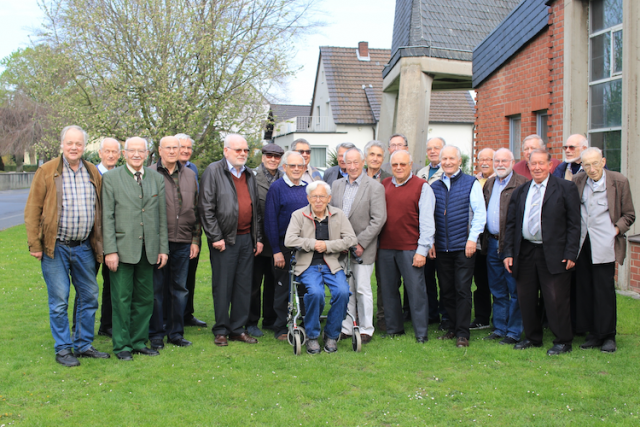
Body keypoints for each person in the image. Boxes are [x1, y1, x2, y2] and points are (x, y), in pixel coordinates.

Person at [25, 125, 109, 367]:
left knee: (89, 296)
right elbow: (33, 210)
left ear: (84, 146)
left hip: (84, 247)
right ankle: (63, 348)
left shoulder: (92, 171)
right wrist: (35, 244)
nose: (74, 147)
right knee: (60, 299)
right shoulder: (47, 171)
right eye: (70, 143)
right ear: (62, 144)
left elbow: (100, 208)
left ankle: (83, 345)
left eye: (78, 144)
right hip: (55, 247)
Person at [503, 149, 581, 355]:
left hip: (555, 252)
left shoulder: (566, 188)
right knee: (526, 298)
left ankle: (563, 341)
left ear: (550, 165)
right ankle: (532, 337)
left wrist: (571, 253)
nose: (537, 167)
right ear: (528, 166)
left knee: (556, 298)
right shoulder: (521, 191)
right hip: (526, 251)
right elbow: (511, 225)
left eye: (541, 163)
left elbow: (575, 224)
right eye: (533, 164)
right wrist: (508, 252)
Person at [102, 136, 169, 360]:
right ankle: (122, 345)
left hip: (148, 250)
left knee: (145, 299)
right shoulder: (111, 178)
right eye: (132, 150)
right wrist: (110, 250)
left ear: (147, 153)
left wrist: (163, 248)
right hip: (121, 250)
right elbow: (107, 217)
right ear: (125, 154)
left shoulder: (156, 179)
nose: (137, 154)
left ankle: (139, 341)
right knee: (121, 299)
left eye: (141, 151)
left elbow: (161, 217)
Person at [198, 134, 263, 347]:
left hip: (246, 239)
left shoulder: (249, 174)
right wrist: (215, 237)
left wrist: (257, 238)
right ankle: (221, 330)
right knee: (223, 286)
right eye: (238, 150)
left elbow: (256, 210)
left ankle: (237, 329)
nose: (243, 154)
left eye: (245, 150)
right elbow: (206, 207)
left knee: (244, 286)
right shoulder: (213, 171)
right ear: (226, 151)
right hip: (224, 240)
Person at [284, 181, 358, 354]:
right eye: (314, 196)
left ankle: (331, 334)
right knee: (316, 294)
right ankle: (312, 336)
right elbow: (289, 240)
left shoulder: (338, 215)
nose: (318, 200)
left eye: (322, 196)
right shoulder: (298, 215)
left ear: (329, 198)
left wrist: (327, 246)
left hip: (331, 264)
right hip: (307, 265)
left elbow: (351, 239)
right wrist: (312, 244)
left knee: (342, 292)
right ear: (308, 198)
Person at [574, 147, 635, 353]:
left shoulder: (619, 181)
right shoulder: (578, 180)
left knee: (604, 290)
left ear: (603, 161)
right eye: (587, 165)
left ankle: (608, 335)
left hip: (605, 244)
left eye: (595, 163)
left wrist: (615, 231)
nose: (592, 169)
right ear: (582, 166)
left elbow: (629, 215)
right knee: (585, 289)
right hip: (583, 243)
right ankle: (593, 334)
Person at [431, 146, 486, 348]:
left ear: (459, 161)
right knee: (446, 290)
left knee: (462, 289)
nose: (447, 162)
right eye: (444, 159)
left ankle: (463, 333)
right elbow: (430, 216)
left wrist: (472, 240)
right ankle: (453, 327)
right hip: (442, 247)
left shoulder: (471, 183)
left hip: (464, 246)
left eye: (451, 158)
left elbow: (479, 214)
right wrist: (431, 242)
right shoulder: (434, 186)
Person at [148, 136, 200, 350]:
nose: (171, 151)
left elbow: (196, 209)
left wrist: (195, 239)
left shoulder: (190, 174)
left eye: (175, 148)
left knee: (180, 289)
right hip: (158, 240)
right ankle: (156, 333)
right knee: (157, 289)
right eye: (167, 148)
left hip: (184, 241)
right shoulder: (150, 173)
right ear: (160, 150)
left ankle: (176, 333)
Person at [378, 150, 435, 343]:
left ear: (411, 165)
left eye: (403, 164)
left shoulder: (422, 187)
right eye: (395, 164)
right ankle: (394, 329)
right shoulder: (384, 185)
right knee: (388, 290)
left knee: (416, 292)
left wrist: (422, 251)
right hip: (386, 247)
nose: (399, 168)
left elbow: (427, 222)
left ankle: (421, 333)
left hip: (411, 248)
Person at [330, 148, 387, 344]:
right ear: (343, 164)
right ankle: (347, 327)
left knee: (362, 288)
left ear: (363, 162)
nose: (353, 167)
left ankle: (366, 329)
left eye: (356, 162)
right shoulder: (336, 185)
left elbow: (378, 219)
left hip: (364, 248)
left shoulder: (374, 187)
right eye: (349, 163)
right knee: (346, 289)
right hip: (341, 248)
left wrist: (360, 242)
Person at [481, 148, 526, 345]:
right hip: (492, 242)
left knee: (514, 289)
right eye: (497, 161)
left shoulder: (522, 183)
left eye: (504, 161)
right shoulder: (490, 183)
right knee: (497, 288)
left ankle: (514, 331)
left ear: (512, 162)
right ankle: (500, 328)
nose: (500, 164)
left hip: (512, 245)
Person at [263, 151, 310, 340]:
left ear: (305, 168)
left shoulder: (308, 188)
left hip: (305, 247)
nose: (296, 169)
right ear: (285, 168)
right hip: (283, 247)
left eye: (300, 166)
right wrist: (276, 251)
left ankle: (305, 322)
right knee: (283, 287)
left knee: (305, 286)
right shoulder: (277, 188)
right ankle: (281, 327)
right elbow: (270, 221)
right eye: (292, 166)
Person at [247, 143, 284, 337]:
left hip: (277, 241)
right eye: (269, 156)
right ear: (263, 157)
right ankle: (251, 321)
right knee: (254, 284)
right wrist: (257, 238)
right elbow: (252, 212)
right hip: (257, 239)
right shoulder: (252, 177)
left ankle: (270, 319)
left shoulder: (284, 178)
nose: (273, 159)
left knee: (274, 282)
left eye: (277, 157)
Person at [175, 133, 207, 328]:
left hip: (192, 231)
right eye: (182, 147)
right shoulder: (163, 170)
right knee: (173, 278)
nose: (186, 151)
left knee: (190, 274)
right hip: (173, 232)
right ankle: (172, 317)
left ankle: (187, 314)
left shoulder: (193, 169)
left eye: (189, 148)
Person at [416, 136, 446, 326]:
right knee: (427, 277)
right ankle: (431, 314)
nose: (433, 151)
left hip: (443, 233)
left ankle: (446, 315)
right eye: (429, 148)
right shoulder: (422, 173)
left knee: (444, 277)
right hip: (425, 232)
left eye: (437, 148)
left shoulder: (448, 172)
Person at [363, 139, 392, 330]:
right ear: (365, 157)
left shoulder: (389, 179)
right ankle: (357, 316)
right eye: (372, 154)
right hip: (361, 237)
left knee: (384, 280)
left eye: (379, 155)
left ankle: (383, 317)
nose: (375, 158)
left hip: (384, 237)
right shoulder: (357, 177)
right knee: (360, 281)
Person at [469, 148, 495, 331]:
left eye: (489, 159)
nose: (484, 162)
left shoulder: (499, 180)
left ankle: (499, 318)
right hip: (477, 239)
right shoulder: (474, 180)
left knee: (494, 281)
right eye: (481, 159)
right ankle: (482, 317)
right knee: (480, 280)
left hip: (492, 238)